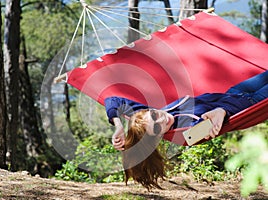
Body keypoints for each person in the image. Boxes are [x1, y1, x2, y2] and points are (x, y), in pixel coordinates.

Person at [104, 70, 268, 190]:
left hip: (234, 93)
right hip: (253, 103)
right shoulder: (186, 134)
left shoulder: (158, 114)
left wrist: (118, 125)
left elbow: (112, 100)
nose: (161, 118)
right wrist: (221, 112)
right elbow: (208, 127)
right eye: (156, 126)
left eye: (154, 114)